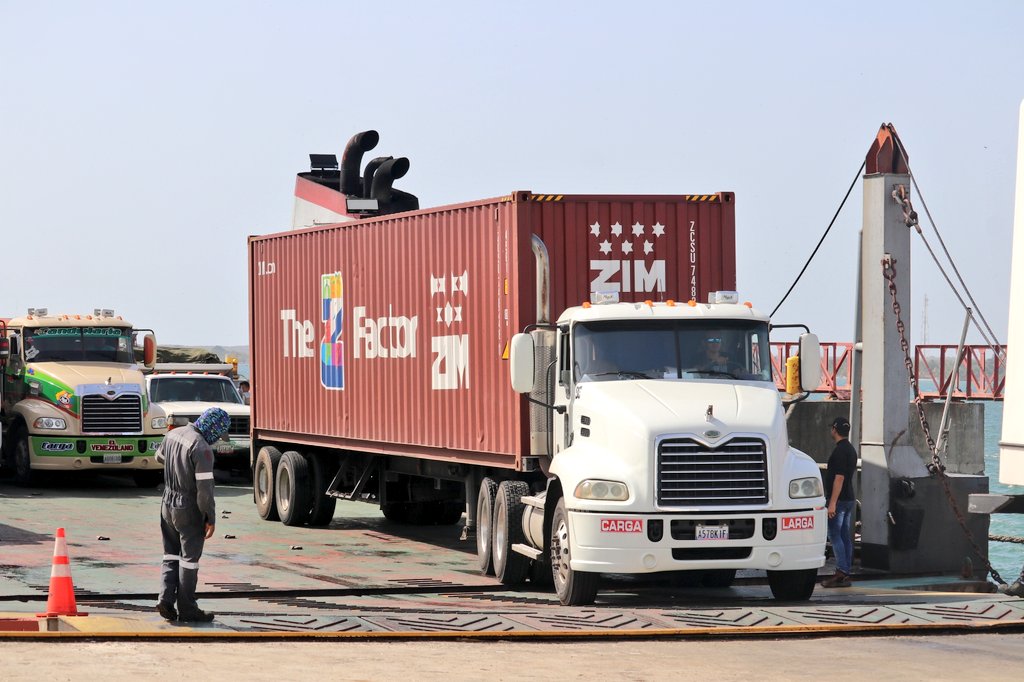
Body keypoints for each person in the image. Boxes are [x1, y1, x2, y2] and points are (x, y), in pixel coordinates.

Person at [155, 406, 231, 622]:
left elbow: (159, 457)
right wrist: (210, 518)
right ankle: (188, 609)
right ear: (213, 428)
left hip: (167, 503)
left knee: (170, 554)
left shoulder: (173, 434)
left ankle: (165, 600)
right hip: (187, 508)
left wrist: (177, 465)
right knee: (189, 560)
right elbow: (205, 492)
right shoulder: (202, 448)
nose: (217, 439)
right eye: (218, 434)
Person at [822, 415, 857, 588]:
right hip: (849, 498)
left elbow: (839, 478)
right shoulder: (850, 449)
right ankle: (846, 572)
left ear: (834, 429)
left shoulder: (839, 451)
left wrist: (832, 503)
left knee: (835, 536)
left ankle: (841, 572)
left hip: (840, 500)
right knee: (844, 536)